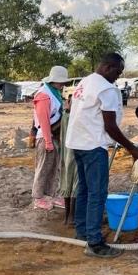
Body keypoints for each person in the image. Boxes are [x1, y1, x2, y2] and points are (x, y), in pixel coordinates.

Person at [65, 52, 138, 258]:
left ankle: (82, 231)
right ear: (108, 67)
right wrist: (132, 148)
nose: (118, 76)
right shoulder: (106, 89)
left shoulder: (86, 81)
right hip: (93, 145)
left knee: (84, 189)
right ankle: (94, 242)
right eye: (117, 72)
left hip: (78, 143)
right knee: (97, 193)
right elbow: (110, 126)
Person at [31, 66, 69, 210]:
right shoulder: (44, 95)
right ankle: (38, 197)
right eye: (61, 82)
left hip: (55, 135)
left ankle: (52, 194)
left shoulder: (55, 93)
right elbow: (44, 120)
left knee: (54, 167)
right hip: (46, 135)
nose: (63, 85)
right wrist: (47, 141)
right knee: (43, 167)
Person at [58, 93, 78, 225]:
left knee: (66, 182)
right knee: (75, 183)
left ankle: (67, 216)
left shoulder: (64, 116)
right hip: (75, 153)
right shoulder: (74, 117)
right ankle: (71, 216)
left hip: (65, 154)